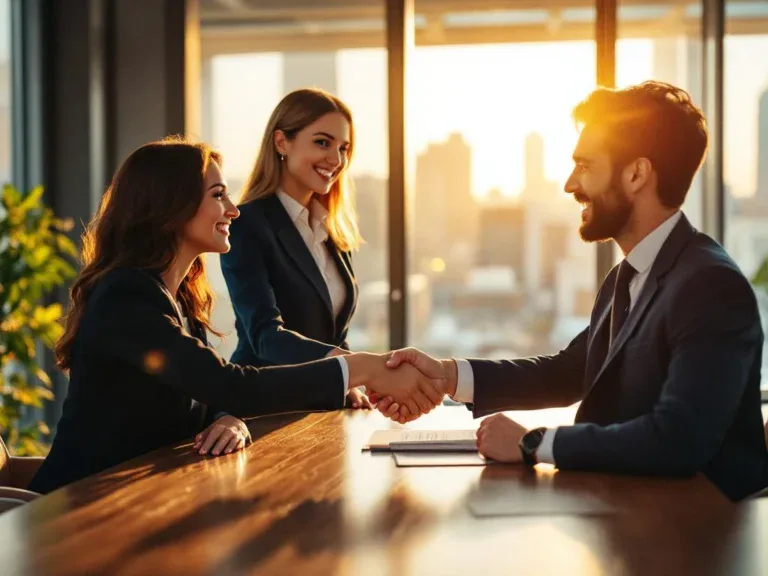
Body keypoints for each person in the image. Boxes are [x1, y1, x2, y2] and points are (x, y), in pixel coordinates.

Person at [379, 81, 768, 502]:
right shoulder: (629, 275)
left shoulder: (710, 285)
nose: (569, 184)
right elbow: (568, 373)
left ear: (636, 174)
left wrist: (535, 444)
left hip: (696, 534)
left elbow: (679, 439)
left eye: (585, 165)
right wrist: (450, 376)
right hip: (628, 512)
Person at [29, 137, 443, 494]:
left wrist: (227, 418)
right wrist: (361, 368)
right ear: (170, 207)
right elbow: (228, 383)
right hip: (77, 508)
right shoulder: (127, 295)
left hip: (133, 495)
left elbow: (204, 389)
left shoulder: (177, 298)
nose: (233, 209)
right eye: (218, 195)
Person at [221, 88, 371, 409]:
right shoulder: (247, 224)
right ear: (281, 142)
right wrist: (350, 366)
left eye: (343, 148)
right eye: (322, 142)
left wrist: (349, 383)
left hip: (321, 407)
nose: (337, 159)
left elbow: (331, 330)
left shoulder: (330, 229)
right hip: (263, 406)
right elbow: (265, 337)